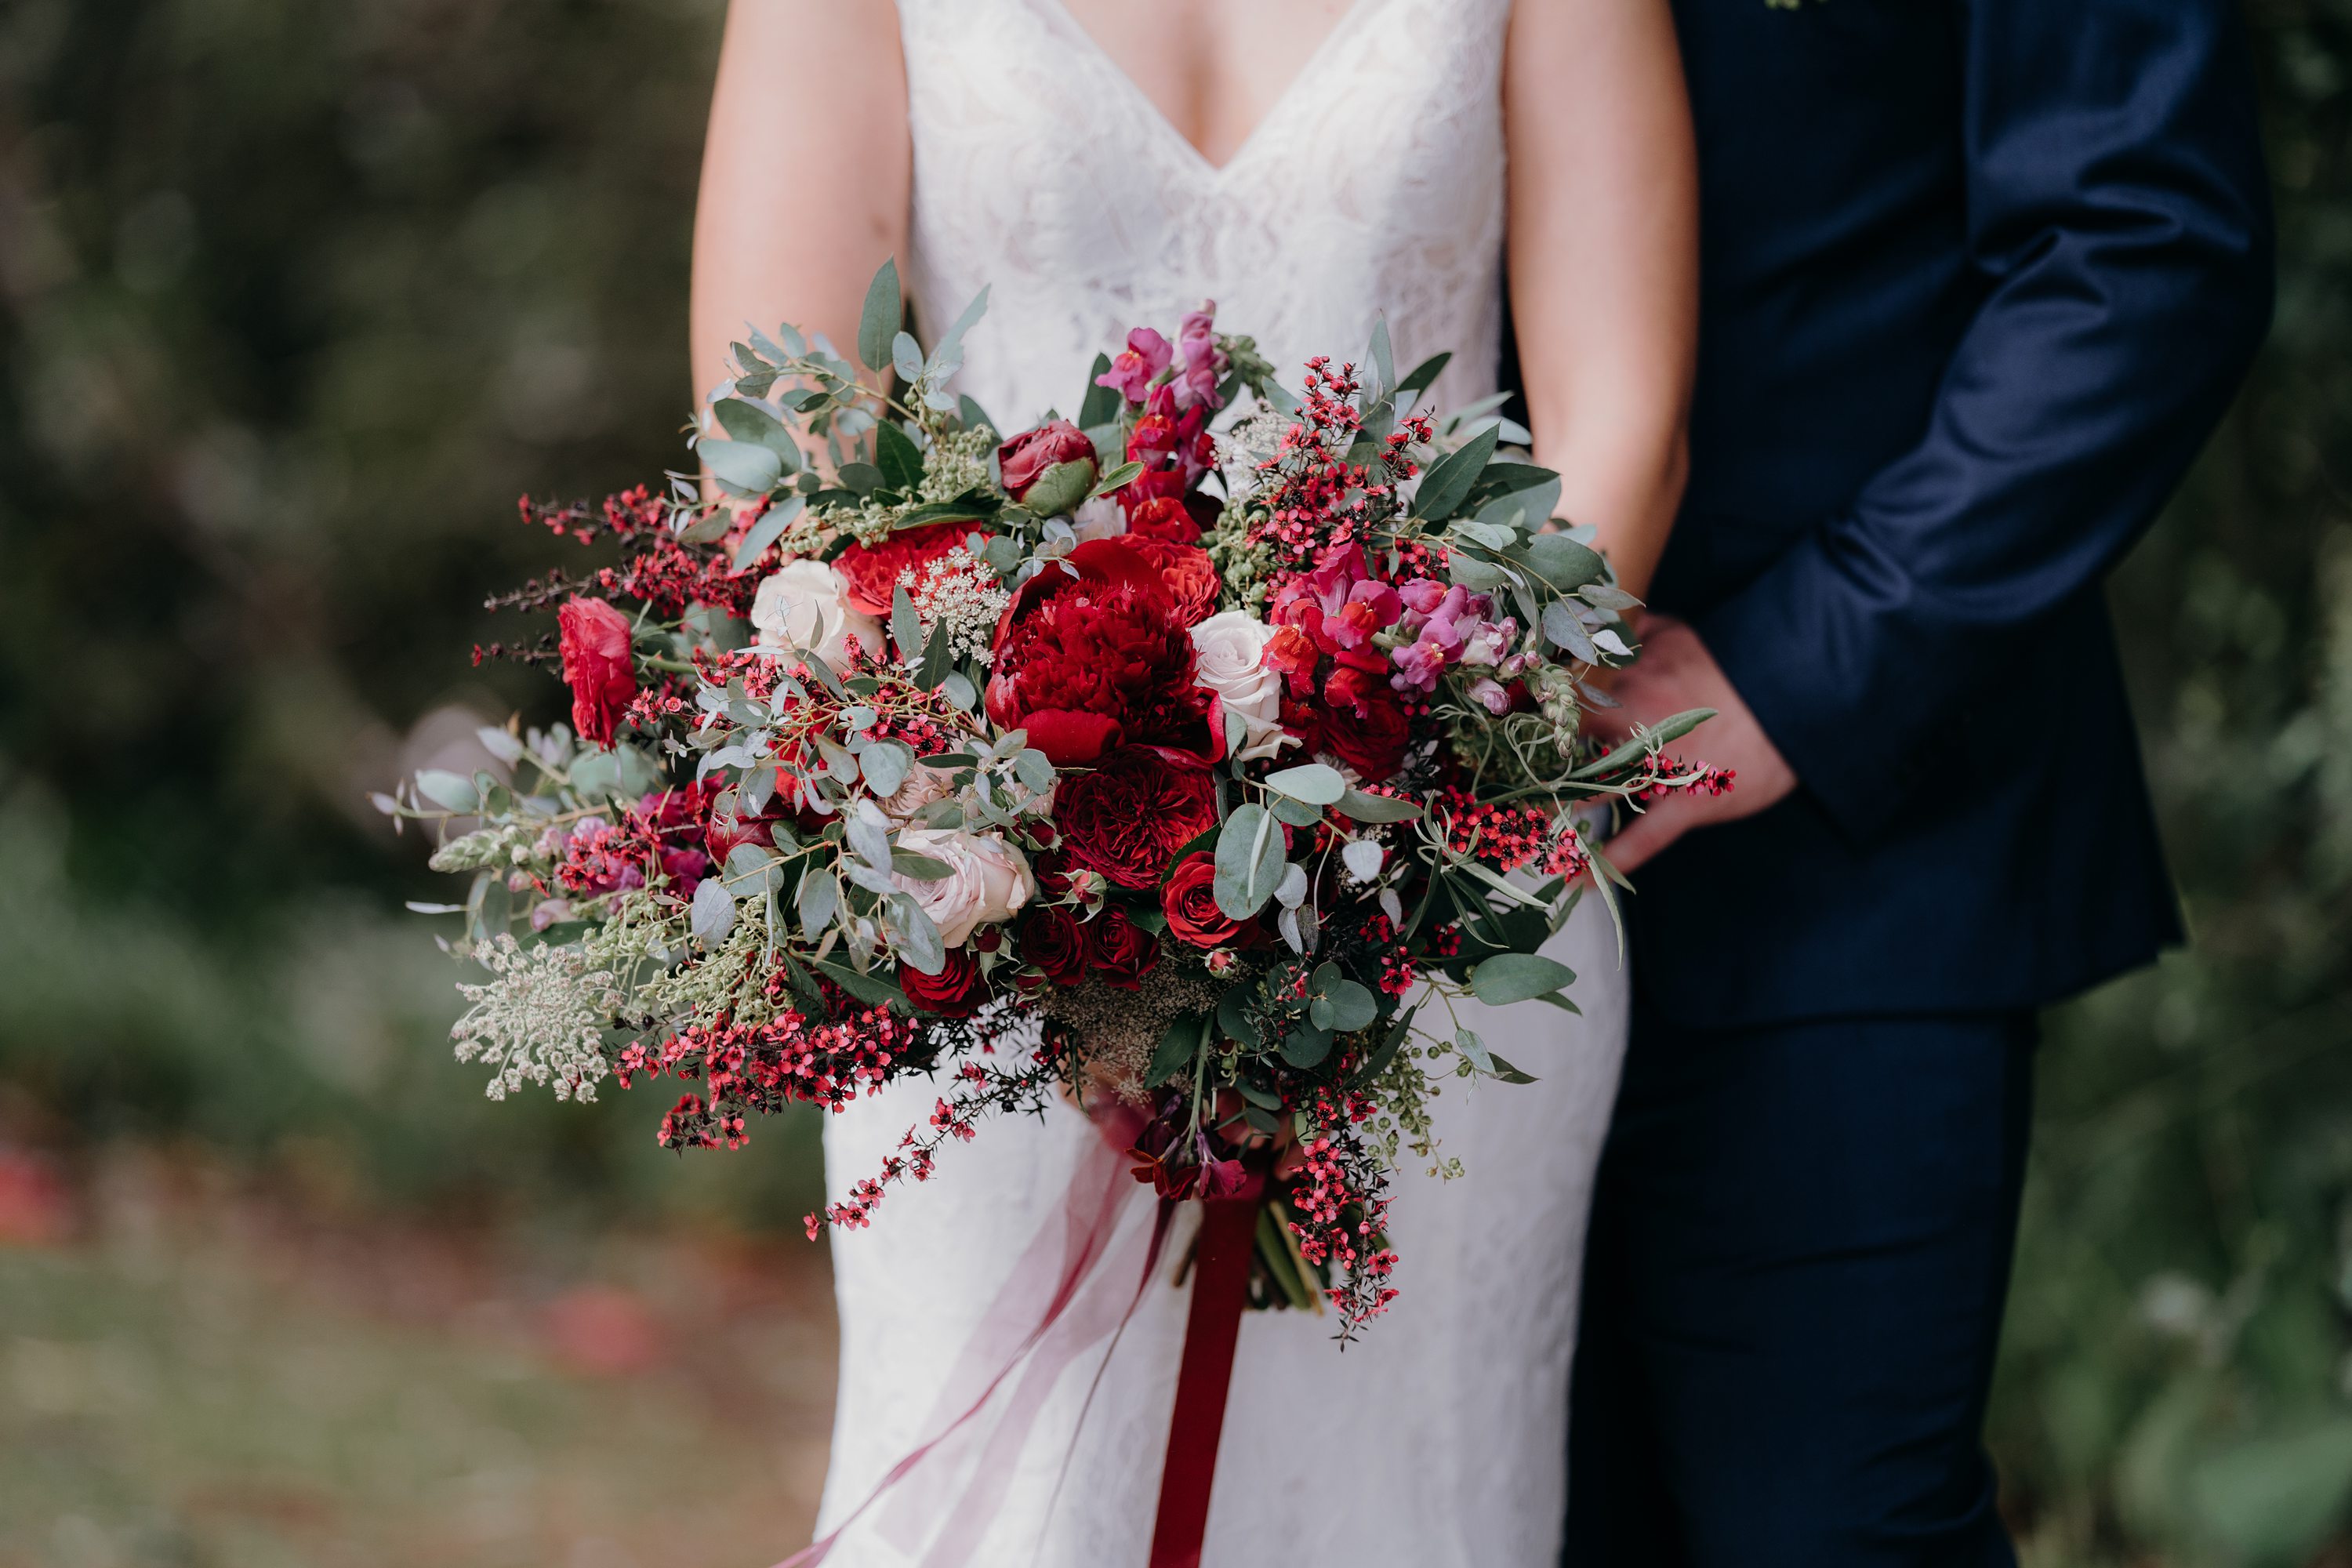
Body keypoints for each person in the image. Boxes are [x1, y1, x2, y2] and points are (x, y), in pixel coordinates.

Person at [691, 0, 1694, 1562]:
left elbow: (1626, 427)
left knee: (1401, 1505)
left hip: (1436, 898)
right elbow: (791, 441)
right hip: (1001, 900)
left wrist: (1396, 809)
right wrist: (1043, 865)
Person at [1560, 0, 2274, 1563]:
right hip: (1362, 879)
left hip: (1837, 857)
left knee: (1825, 1532)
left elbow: (2143, 238)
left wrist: (1806, 659)